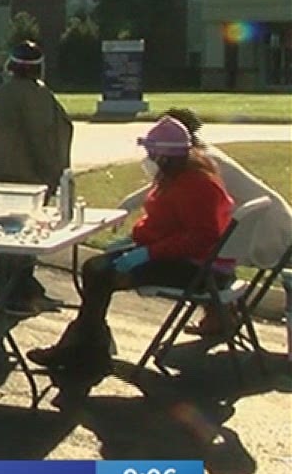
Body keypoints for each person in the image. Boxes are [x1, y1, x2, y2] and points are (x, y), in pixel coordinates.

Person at [27, 116, 233, 381]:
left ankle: (81, 351)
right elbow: (165, 222)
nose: (150, 158)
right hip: (182, 257)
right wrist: (137, 240)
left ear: (167, 156)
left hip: (202, 269)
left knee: (100, 275)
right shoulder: (177, 176)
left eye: (153, 153)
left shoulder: (196, 184)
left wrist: (147, 253)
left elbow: (201, 237)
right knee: (95, 269)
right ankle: (86, 350)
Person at [118, 107, 292, 335]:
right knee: (199, 244)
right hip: (263, 223)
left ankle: (219, 317)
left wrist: (129, 211)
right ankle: (220, 317)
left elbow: (165, 191)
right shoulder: (199, 160)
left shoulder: (203, 164)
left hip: (268, 232)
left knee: (197, 251)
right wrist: (128, 204)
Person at [0, 41, 73, 315]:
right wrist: (53, 173)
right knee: (22, 238)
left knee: (7, 235)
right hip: (28, 174)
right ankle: (12, 296)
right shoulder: (39, 96)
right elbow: (41, 139)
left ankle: (19, 290)